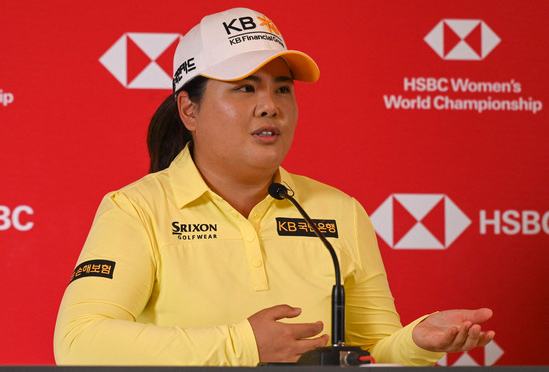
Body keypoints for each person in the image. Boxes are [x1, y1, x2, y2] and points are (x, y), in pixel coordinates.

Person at [54, 8, 495, 366]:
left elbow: (372, 349)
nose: (270, 106)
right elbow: (79, 342)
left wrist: (416, 341)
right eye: (245, 88)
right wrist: (243, 345)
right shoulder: (136, 208)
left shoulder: (339, 210)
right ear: (189, 109)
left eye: (282, 89)